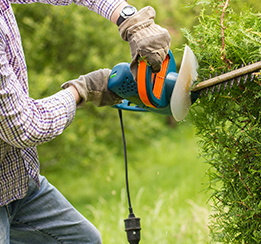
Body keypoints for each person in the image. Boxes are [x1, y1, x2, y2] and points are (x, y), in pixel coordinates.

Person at [0, 0, 171, 242]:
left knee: (83, 239)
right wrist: (84, 89)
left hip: (15, 179)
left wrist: (131, 20)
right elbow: (23, 127)